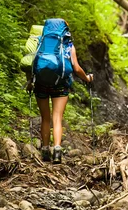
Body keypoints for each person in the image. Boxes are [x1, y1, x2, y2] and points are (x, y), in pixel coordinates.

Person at [25, 20, 93, 164]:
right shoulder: (68, 45)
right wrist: (87, 78)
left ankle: (44, 149)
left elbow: (30, 63)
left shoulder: (39, 42)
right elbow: (76, 68)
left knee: (45, 118)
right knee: (57, 117)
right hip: (61, 85)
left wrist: (30, 82)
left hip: (41, 85)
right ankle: (56, 149)